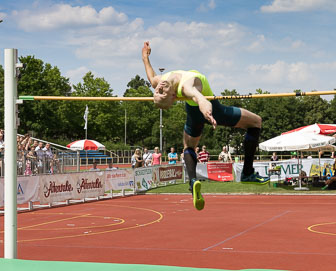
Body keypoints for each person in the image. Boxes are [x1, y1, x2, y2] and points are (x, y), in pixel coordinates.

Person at [142, 41, 269, 210]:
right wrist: (208, 113)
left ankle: (193, 181)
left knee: (188, 146)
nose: (160, 89)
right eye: (162, 92)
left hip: (193, 113)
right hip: (213, 109)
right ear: (174, 96)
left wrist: (145, 56)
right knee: (256, 122)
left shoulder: (159, 82)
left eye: (158, 91)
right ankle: (247, 173)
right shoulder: (186, 86)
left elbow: (151, 77)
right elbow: (199, 98)